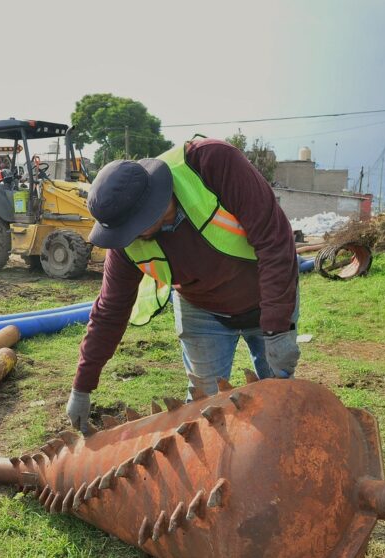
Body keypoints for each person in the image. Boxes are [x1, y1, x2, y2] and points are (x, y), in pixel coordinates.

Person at [65, 138, 299, 432]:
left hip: (266, 295)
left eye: (134, 229)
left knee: (278, 394)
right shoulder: (125, 240)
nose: (129, 239)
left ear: (151, 207)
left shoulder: (212, 164)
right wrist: (82, 387)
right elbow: (110, 311)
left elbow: (274, 241)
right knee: (204, 407)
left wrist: (278, 329)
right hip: (202, 310)